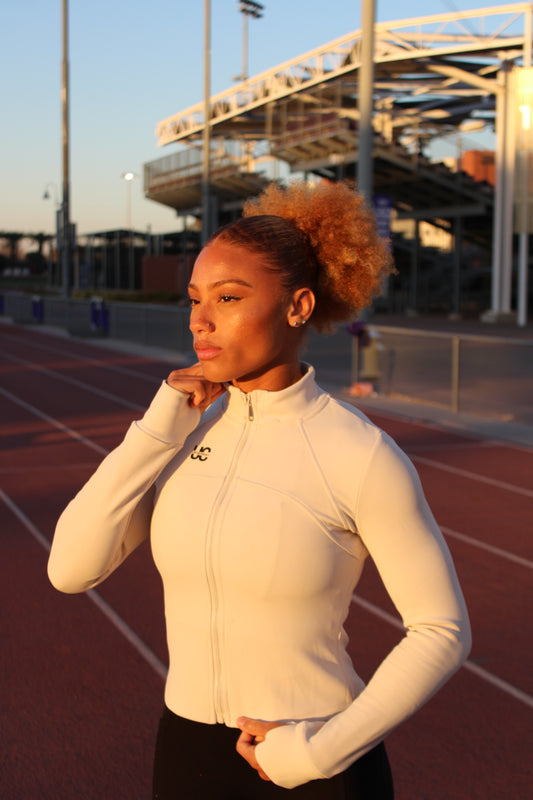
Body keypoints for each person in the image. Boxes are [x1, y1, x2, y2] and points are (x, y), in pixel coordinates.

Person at [48, 180, 471, 799]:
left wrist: (318, 753)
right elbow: (69, 570)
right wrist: (155, 430)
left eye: (228, 297)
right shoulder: (178, 438)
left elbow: (442, 629)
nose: (200, 319)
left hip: (316, 761)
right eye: (194, 299)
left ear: (298, 306)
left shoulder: (358, 452)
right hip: (187, 755)